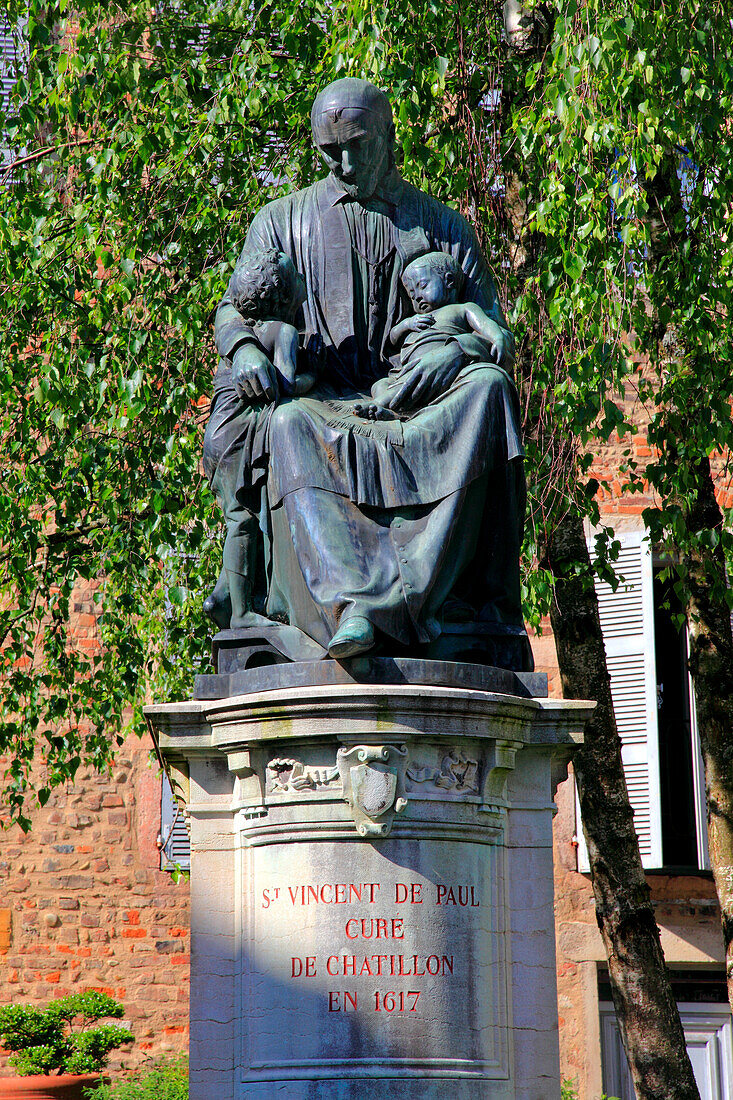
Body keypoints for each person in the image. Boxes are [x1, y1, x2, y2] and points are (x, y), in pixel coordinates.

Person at [203, 77, 529, 668]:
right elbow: (235, 305)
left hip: (421, 403)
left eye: (358, 146)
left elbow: (491, 326)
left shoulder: (443, 226)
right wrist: (247, 348)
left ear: (388, 138)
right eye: (330, 152)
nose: (345, 163)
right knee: (286, 423)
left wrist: (455, 352)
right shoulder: (281, 221)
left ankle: (433, 601)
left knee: (490, 391)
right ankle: (351, 606)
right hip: (320, 401)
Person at [356, 251, 509, 419]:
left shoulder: (462, 309)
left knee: (411, 379)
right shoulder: (415, 319)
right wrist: (407, 324)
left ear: (448, 281)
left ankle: (378, 405)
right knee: (380, 384)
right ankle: (394, 412)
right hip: (405, 370)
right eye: (412, 295)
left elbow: (485, 324)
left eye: (423, 286)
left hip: (437, 367)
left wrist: (497, 338)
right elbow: (393, 338)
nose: (418, 297)